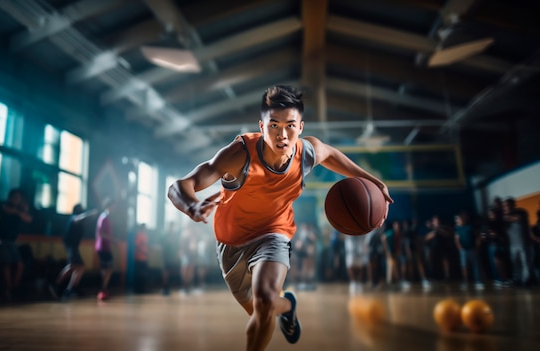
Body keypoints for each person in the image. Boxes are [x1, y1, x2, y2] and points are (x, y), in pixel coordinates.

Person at [167, 85, 392, 351]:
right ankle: (287, 307)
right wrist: (192, 207)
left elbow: (331, 154)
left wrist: (373, 181)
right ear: (261, 126)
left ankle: (275, 307)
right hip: (231, 242)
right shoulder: (239, 155)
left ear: (301, 127)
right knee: (264, 307)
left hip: (274, 234)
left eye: (290, 126)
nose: (282, 134)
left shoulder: (306, 152)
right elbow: (179, 186)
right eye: (273, 125)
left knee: (264, 304)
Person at [0, 189, 32, 300]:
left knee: (20, 265)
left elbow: (28, 219)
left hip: (12, 242)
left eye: (19, 198)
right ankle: (8, 289)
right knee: (6, 264)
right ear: (10, 198)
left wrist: (20, 211)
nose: (17, 200)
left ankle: (14, 287)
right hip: (1, 241)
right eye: (15, 197)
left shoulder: (19, 211)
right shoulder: (1, 208)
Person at [50, 204, 98, 300]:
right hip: (71, 246)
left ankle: (70, 289)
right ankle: (56, 285)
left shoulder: (79, 223)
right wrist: (90, 214)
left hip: (74, 247)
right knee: (73, 266)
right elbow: (79, 218)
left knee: (80, 267)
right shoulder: (74, 218)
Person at [502, 198, 533, 286]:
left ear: (513, 205)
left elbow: (517, 218)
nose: (506, 207)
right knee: (516, 263)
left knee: (526, 263)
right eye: (504, 205)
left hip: (524, 242)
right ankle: (518, 280)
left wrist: (507, 218)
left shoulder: (521, 212)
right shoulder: (504, 217)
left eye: (507, 205)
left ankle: (526, 281)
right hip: (513, 244)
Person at [453, 211, 483, 290]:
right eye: (458, 219)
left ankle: (478, 281)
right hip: (463, 250)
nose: (460, 220)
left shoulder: (470, 226)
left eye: (461, 218)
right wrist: (459, 247)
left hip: (472, 249)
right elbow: (456, 238)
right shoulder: (457, 228)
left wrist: (477, 247)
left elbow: (477, 236)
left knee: (476, 266)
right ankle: (465, 282)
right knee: (464, 266)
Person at [95, 198, 115, 300]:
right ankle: (102, 290)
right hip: (102, 247)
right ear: (108, 206)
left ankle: (104, 288)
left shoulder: (107, 218)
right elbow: (101, 233)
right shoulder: (103, 218)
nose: (114, 208)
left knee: (108, 268)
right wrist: (112, 238)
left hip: (106, 247)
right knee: (106, 268)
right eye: (112, 206)